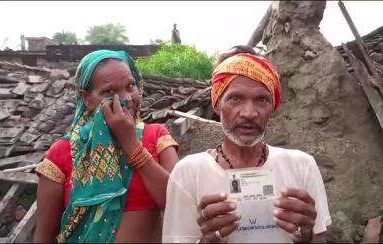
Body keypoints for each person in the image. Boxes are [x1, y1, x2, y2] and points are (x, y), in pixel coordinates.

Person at [162, 46, 331, 243]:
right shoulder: (189, 172)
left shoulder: (302, 166)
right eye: (235, 98)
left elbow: (319, 238)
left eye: (262, 99)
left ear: (273, 107)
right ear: (217, 104)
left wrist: (307, 236)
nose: (249, 113)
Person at [33, 50, 179, 243]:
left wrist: (130, 142)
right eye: (109, 92)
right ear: (87, 98)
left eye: (130, 86)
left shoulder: (157, 135)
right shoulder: (63, 151)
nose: (125, 98)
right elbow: (44, 236)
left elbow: (177, 203)